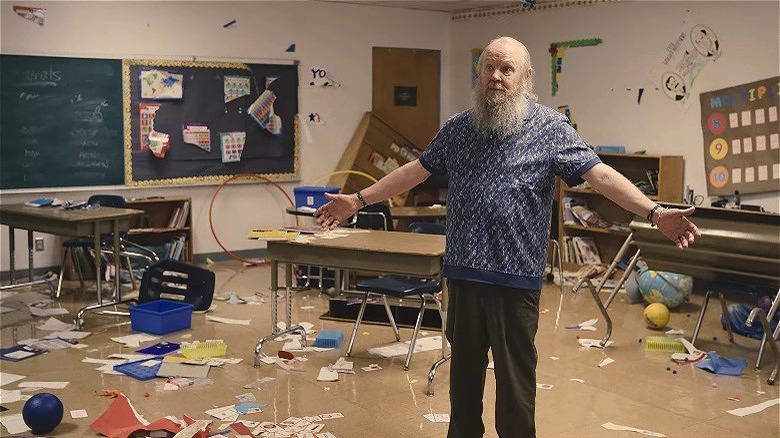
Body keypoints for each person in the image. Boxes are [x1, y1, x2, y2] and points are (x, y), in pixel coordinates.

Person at [314, 36, 701, 438]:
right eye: (488, 68)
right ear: (479, 73)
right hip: (463, 278)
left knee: (516, 391)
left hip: (515, 284)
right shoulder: (459, 129)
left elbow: (599, 175)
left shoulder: (550, 128)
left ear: (527, 77)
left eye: (506, 69)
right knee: (463, 387)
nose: (496, 77)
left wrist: (654, 212)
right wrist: (358, 199)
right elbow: (416, 171)